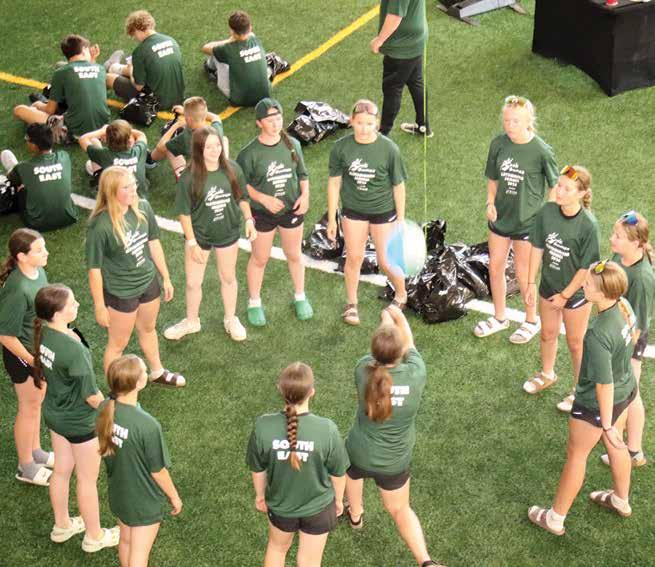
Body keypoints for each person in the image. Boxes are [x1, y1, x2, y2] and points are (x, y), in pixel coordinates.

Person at [528, 260, 638, 536]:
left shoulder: (598, 334)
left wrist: (606, 424)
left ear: (602, 293)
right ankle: (621, 500)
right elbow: (633, 339)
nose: (583, 286)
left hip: (597, 403)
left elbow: (604, 385)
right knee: (617, 445)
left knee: (577, 455)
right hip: (627, 390)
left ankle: (555, 518)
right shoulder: (624, 305)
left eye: (587, 284)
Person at [344, 306, 441, 567]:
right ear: (401, 353)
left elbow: (382, 352)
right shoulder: (416, 372)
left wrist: (384, 320)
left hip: (359, 450)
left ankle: (356, 516)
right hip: (394, 461)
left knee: (352, 474)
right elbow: (409, 342)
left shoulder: (362, 370)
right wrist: (396, 313)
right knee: (400, 509)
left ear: (374, 351)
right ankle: (426, 561)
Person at [33, 284, 120, 552]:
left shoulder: (44, 332)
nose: (78, 305)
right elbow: (91, 396)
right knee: (86, 480)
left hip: (55, 415)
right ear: (57, 313)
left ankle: (62, 526)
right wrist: (114, 410)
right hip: (79, 423)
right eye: (72, 303)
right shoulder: (74, 350)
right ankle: (94, 536)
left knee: (61, 470)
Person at [85, 166, 185, 387]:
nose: (133, 190)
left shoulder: (143, 207)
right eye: (126, 187)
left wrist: (166, 277)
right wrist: (100, 306)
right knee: (118, 344)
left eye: (134, 184)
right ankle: (116, 392)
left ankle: (157, 371)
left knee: (148, 329)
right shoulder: (100, 226)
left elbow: (153, 242)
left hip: (148, 282)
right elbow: (94, 270)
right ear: (111, 192)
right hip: (121, 292)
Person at [246, 362, 349, 567]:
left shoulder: (263, 426)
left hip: (281, 506)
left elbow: (258, 468)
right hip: (319, 509)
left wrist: (260, 496)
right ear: (312, 392)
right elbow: (338, 473)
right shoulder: (327, 429)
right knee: (309, 561)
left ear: (280, 389)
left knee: (277, 549)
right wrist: (338, 501)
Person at [473, 95, 558, 344]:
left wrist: (548, 214)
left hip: (528, 223)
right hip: (501, 219)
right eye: (507, 120)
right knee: (495, 266)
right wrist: (490, 202)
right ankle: (500, 317)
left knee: (524, 273)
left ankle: (531, 320)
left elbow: (554, 184)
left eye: (516, 121)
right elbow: (492, 178)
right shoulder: (498, 144)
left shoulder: (541, 150)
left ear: (529, 121)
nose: (510, 125)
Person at [164, 127, 256, 342]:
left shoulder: (233, 169)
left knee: (228, 277)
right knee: (193, 283)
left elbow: (242, 198)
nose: (215, 150)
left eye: (217, 145)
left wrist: (249, 219)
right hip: (200, 237)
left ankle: (230, 318)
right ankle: (192, 321)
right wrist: (192, 243)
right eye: (209, 147)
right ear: (199, 150)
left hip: (228, 233)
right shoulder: (189, 177)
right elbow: (184, 213)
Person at [523, 165, 600, 413]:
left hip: (575, 294)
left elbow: (586, 268)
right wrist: (531, 282)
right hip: (548, 287)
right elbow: (537, 247)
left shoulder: (588, 225)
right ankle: (547, 374)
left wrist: (565, 295)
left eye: (567, 189)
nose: (559, 191)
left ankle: (580, 390)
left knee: (576, 343)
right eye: (559, 185)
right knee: (548, 333)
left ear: (581, 193)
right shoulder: (547, 212)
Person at [326, 99, 408, 325]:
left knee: (385, 260)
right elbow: (334, 183)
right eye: (360, 123)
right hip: (353, 211)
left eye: (369, 124)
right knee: (353, 257)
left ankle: (402, 294)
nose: (364, 128)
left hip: (383, 211)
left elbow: (398, 185)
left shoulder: (389, 149)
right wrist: (332, 218)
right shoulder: (341, 148)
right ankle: (351, 304)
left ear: (377, 124)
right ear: (351, 121)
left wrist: (400, 218)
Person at [97, 354, 182, 567]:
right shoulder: (147, 425)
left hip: (120, 493)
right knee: (139, 553)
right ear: (138, 383)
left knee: (126, 541)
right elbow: (158, 471)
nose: (146, 372)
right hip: (143, 500)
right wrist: (174, 496)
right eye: (144, 371)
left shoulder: (105, 407)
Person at [236, 98, 313, 327]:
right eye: (270, 120)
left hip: (291, 210)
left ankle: (300, 296)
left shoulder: (292, 144)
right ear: (259, 123)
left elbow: (302, 175)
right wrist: (263, 198)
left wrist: (305, 196)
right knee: (260, 258)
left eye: (278, 118)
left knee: (294, 254)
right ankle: (254, 302)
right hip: (262, 213)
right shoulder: (249, 153)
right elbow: (240, 185)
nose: (276, 124)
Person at [599, 211, 655, 467]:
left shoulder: (642, 278)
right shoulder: (620, 257)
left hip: (629, 340)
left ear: (636, 243)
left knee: (630, 393)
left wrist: (621, 351)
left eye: (618, 236)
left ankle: (632, 451)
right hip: (618, 333)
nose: (612, 239)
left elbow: (639, 327)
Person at [0, 228, 52, 485]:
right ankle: (26, 466)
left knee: (37, 402)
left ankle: (36, 451)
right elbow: (5, 336)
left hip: (37, 349)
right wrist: (33, 361)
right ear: (22, 256)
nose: (46, 253)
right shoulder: (18, 288)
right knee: (28, 407)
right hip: (22, 355)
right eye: (39, 250)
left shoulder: (38, 271)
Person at [13, 34, 110, 142]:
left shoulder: (61, 72)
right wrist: (93, 60)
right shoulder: (100, 68)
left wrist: (38, 105)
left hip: (74, 132)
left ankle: (37, 124)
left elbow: (50, 110)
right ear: (83, 50)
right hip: (102, 129)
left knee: (19, 110)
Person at [1, 123, 78, 231]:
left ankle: (13, 167)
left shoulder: (23, 167)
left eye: (27, 139)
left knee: (20, 188)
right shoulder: (64, 156)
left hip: (36, 223)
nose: (26, 141)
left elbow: (11, 180)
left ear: (34, 145)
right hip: (69, 217)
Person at [370, 0, 430, 137]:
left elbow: (395, 16)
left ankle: (382, 134)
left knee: (392, 89)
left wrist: (379, 40)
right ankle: (423, 126)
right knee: (416, 81)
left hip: (402, 45)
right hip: (416, 38)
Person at [105, 10, 184, 110]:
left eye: (133, 34)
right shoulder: (171, 40)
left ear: (137, 30)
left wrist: (131, 70)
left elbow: (139, 86)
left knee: (108, 78)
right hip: (177, 97)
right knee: (142, 68)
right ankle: (113, 66)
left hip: (154, 102)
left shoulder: (140, 51)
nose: (135, 38)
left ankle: (111, 69)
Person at [201, 10, 271, 107]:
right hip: (264, 94)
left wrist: (229, 40)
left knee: (217, 54)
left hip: (239, 99)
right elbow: (250, 35)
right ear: (250, 28)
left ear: (232, 31)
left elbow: (205, 48)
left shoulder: (227, 48)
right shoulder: (255, 40)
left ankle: (210, 68)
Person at [151, 96, 226, 180]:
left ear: (189, 119)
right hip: (218, 173)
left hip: (200, 179)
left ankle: (150, 162)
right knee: (224, 139)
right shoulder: (215, 129)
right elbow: (216, 117)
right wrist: (188, 112)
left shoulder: (187, 137)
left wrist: (176, 125)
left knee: (168, 149)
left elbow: (160, 147)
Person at [79, 120, 150, 197]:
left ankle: (99, 185)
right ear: (129, 139)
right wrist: (124, 131)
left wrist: (103, 130)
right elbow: (141, 134)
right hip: (139, 197)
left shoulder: (103, 154)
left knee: (93, 144)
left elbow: (83, 139)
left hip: (113, 200)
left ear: (107, 139)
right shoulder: (139, 150)